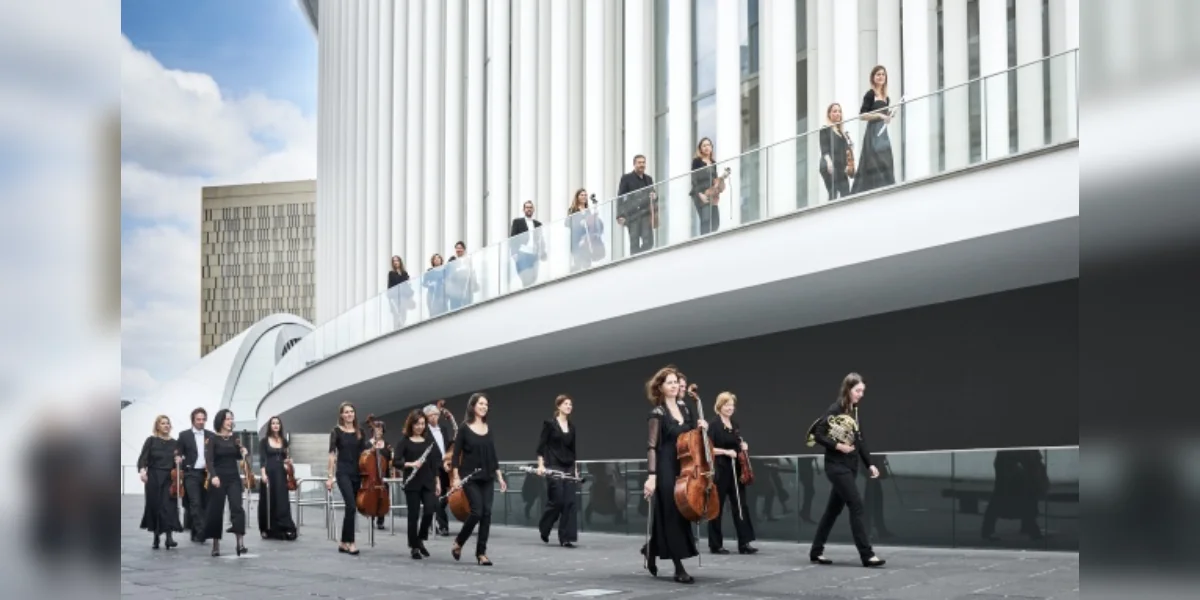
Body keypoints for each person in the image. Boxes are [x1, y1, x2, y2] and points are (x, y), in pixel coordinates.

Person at [806, 372, 886, 567]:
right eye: (858, 390)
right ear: (848, 389)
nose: (861, 394)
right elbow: (817, 434)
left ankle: (816, 551)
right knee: (856, 506)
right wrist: (837, 446)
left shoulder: (854, 411)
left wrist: (871, 464)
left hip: (849, 467)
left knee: (832, 511)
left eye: (862, 391)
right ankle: (867, 555)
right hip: (836, 467)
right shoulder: (836, 408)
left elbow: (860, 441)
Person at [642, 366, 705, 584]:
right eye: (669, 382)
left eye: (675, 382)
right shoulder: (657, 413)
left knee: (678, 511)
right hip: (665, 465)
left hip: (684, 465)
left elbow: (691, 438)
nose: (674, 385)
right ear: (660, 387)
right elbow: (651, 447)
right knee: (672, 512)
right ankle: (679, 567)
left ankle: (650, 549)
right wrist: (652, 476)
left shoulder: (686, 409)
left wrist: (701, 427)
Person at [450, 393, 509, 565]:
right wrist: (455, 477)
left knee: (487, 514)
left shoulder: (488, 428)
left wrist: (500, 477)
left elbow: (492, 455)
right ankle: (459, 542)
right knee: (477, 511)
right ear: (473, 406)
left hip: (487, 476)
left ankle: (481, 553)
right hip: (470, 477)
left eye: (486, 404)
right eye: (481, 403)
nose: (484, 406)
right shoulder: (464, 428)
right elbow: (456, 455)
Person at [326, 402, 383, 555]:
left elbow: (364, 451)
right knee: (351, 505)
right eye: (346, 412)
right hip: (343, 472)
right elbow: (332, 454)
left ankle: (343, 542)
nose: (349, 414)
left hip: (358, 472)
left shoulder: (360, 431)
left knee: (352, 508)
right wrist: (330, 476)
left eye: (351, 412)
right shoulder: (336, 431)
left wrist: (374, 442)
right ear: (341, 415)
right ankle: (351, 542)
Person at [707, 392, 757, 554]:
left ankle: (744, 543)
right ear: (720, 406)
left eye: (732, 405)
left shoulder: (734, 424)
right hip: (720, 470)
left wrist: (743, 447)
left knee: (741, 506)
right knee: (717, 507)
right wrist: (726, 452)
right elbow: (708, 448)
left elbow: (737, 444)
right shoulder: (713, 425)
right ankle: (716, 544)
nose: (730, 408)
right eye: (727, 405)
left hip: (736, 470)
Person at [202, 409, 249, 557]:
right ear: (221, 421)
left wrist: (243, 452)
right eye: (227, 419)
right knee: (216, 510)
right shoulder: (213, 439)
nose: (230, 422)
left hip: (233, 477)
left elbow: (237, 456)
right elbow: (209, 460)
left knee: (237, 508)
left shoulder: (235, 438)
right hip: (218, 478)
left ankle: (240, 543)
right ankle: (215, 545)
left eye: (231, 419)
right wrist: (213, 476)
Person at [397, 409, 442, 559]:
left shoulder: (429, 442)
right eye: (417, 424)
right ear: (412, 424)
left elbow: (435, 464)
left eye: (423, 424)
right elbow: (396, 461)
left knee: (430, 509)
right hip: (412, 483)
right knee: (413, 515)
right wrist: (411, 464)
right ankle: (414, 547)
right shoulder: (405, 441)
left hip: (428, 482)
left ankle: (420, 539)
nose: (420, 427)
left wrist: (438, 482)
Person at [536, 395, 579, 547]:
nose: (569, 406)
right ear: (559, 406)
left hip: (568, 467)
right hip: (553, 465)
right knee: (558, 500)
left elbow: (573, 452)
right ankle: (544, 526)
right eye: (566, 404)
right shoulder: (549, 424)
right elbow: (541, 446)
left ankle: (566, 538)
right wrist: (541, 465)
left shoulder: (572, 427)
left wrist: (576, 470)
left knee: (570, 502)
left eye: (571, 404)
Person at [136, 415, 183, 550]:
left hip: (169, 477)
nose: (166, 426)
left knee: (168, 506)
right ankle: (156, 536)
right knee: (155, 505)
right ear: (157, 426)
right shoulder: (151, 441)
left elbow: (180, 461)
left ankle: (169, 537)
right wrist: (142, 471)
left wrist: (179, 461)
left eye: (168, 423)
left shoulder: (175, 443)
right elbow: (143, 458)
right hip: (154, 477)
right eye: (163, 423)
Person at [849, 66, 896, 195]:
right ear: (873, 78)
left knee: (885, 159)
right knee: (874, 160)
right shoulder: (870, 94)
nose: (881, 77)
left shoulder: (887, 98)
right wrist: (879, 115)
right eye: (878, 74)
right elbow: (862, 115)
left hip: (883, 134)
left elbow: (885, 117)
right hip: (873, 133)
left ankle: (887, 189)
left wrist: (889, 116)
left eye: (883, 75)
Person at [257, 416, 298, 541]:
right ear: (270, 426)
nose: (275, 425)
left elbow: (286, 457)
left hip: (281, 473)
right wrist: (263, 474)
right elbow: (262, 459)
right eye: (273, 423)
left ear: (280, 426)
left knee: (281, 499)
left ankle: (284, 526)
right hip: (269, 472)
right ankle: (266, 528)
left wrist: (289, 461)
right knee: (267, 500)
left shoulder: (284, 441)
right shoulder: (264, 441)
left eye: (277, 423)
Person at [175, 407, 212, 542]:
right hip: (191, 473)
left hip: (207, 474)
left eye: (203, 419)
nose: (201, 422)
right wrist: (178, 457)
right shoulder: (184, 435)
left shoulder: (210, 435)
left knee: (205, 503)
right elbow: (178, 451)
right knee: (195, 502)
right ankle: (202, 532)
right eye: (198, 419)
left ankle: (195, 533)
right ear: (193, 420)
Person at [616, 155, 658, 255]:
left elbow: (654, 194)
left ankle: (643, 259)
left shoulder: (648, 179)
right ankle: (636, 264)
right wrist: (620, 215)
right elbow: (620, 197)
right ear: (634, 164)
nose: (642, 165)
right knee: (634, 243)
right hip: (632, 215)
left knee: (648, 242)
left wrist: (655, 196)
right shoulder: (626, 178)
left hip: (645, 214)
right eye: (639, 163)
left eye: (643, 162)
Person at [509, 200, 547, 287]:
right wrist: (514, 253)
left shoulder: (538, 224)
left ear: (533, 210)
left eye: (530, 207)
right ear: (523, 210)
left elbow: (541, 239)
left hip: (534, 254)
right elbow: (513, 237)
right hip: (523, 253)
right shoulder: (518, 222)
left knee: (534, 277)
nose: (529, 209)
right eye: (527, 207)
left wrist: (543, 252)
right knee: (525, 276)